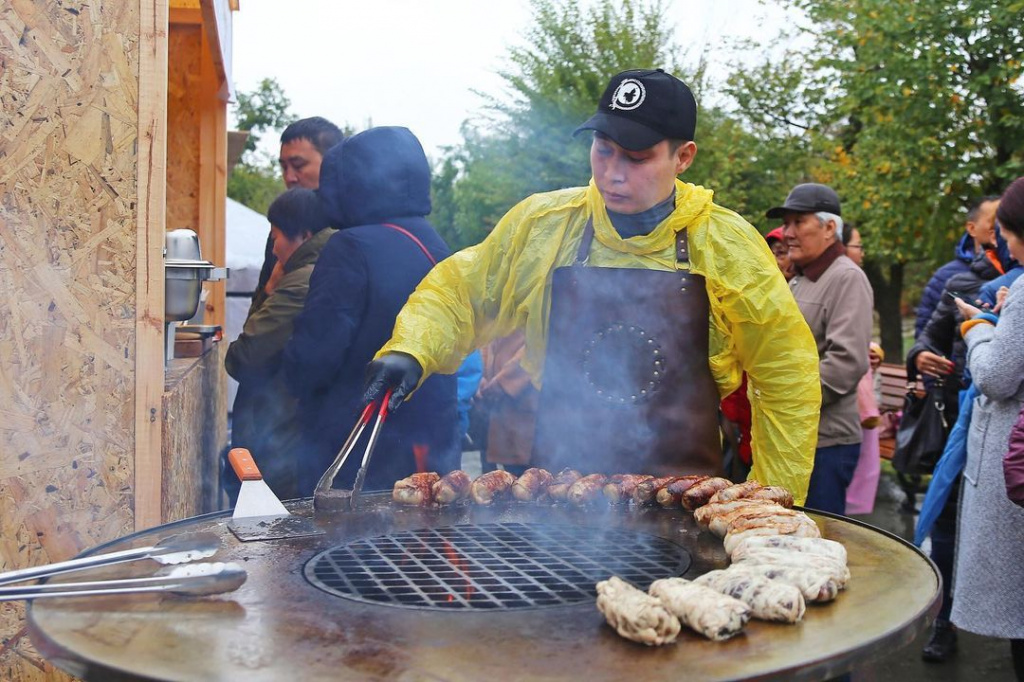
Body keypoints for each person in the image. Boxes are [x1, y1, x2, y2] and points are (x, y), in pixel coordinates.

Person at [363, 68, 821, 500]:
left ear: (683, 157)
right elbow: (463, 289)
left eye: (637, 157)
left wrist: (772, 504)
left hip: (684, 497)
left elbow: (785, 375)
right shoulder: (546, 225)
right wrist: (412, 349)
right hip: (561, 497)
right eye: (603, 148)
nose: (612, 173)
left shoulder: (725, 244)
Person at [284, 126, 459, 494]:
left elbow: (314, 357)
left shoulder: (350, 246)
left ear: (348, 184)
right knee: (423, 547)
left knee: (348, 551)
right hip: (432, 448)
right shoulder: (436, 245)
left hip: (358, 453)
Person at [908, 199, 1007, 664]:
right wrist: (921, 358)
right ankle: (943, 622)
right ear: (978, 228)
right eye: (996, 221)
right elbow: (926, 336)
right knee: (946, 526)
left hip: (1007, 428)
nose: (1003, 231)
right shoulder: (955, 278)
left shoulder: (1017, 284)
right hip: (961, 423)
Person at [950, 176, 1024, 680]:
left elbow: (998, 378)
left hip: (1013, 459)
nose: (1005, 242)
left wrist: (977, 330)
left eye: (1008, 231)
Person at [769, 183, 874, 514]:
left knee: (816, 543)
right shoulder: (802, 278)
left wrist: (787, 400)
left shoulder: (847, 278)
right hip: (795, 438)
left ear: (830, 228)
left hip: (826, 443)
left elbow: (846, 362)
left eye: (798, 222)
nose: (787, 233)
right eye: (786, 224)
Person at [225, 188, 334, 500]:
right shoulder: (323, 269)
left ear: (302, 234)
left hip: (283, 435)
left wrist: (270, 290)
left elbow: (243, 356)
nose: (273, 248)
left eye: (276, 237)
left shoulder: (300, 281)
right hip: (291, 434)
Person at [254, 117, 345, 300]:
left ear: (332, 163)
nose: (289, 177)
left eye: (298, 166)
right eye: (284, 167)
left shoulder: (353, 227)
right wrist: (271, 287)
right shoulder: (282, 230)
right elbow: (259, 311)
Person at [914, 197, 1001, 337]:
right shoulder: (945, 277)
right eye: (995, 220)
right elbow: (926, 334)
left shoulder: (1016, 271)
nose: (1002, 226)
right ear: (972, 228)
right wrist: (920, 353)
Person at [476, 331, 538, 477]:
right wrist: (480, 376)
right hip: (493, 406)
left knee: (527, 477)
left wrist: (501, 382)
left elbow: (534, 348)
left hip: (522, 404)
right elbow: (485, 339)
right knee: (493, 478)